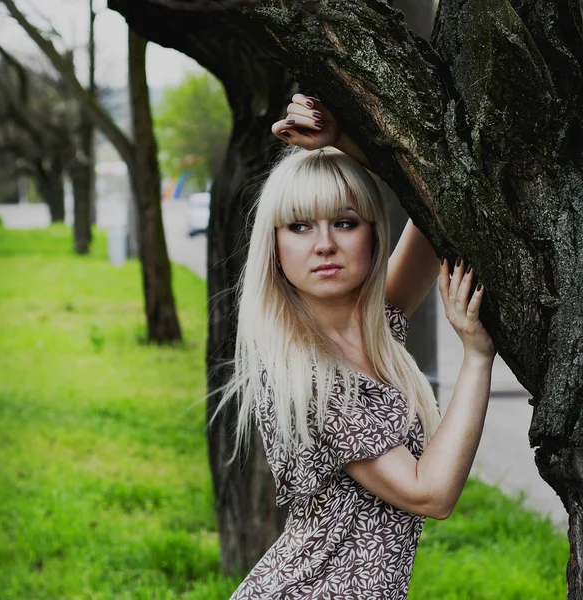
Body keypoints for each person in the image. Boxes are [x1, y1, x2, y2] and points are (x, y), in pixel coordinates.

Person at [212, 93, 496, 599]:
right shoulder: (309, 374)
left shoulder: (375, 327)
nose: (324, 244)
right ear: (275, 247)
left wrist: (343, 144)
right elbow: (431, 494)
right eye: (299, 226)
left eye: (344, 222)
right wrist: (476, 357)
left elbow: (434, 209)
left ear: (371, 233)